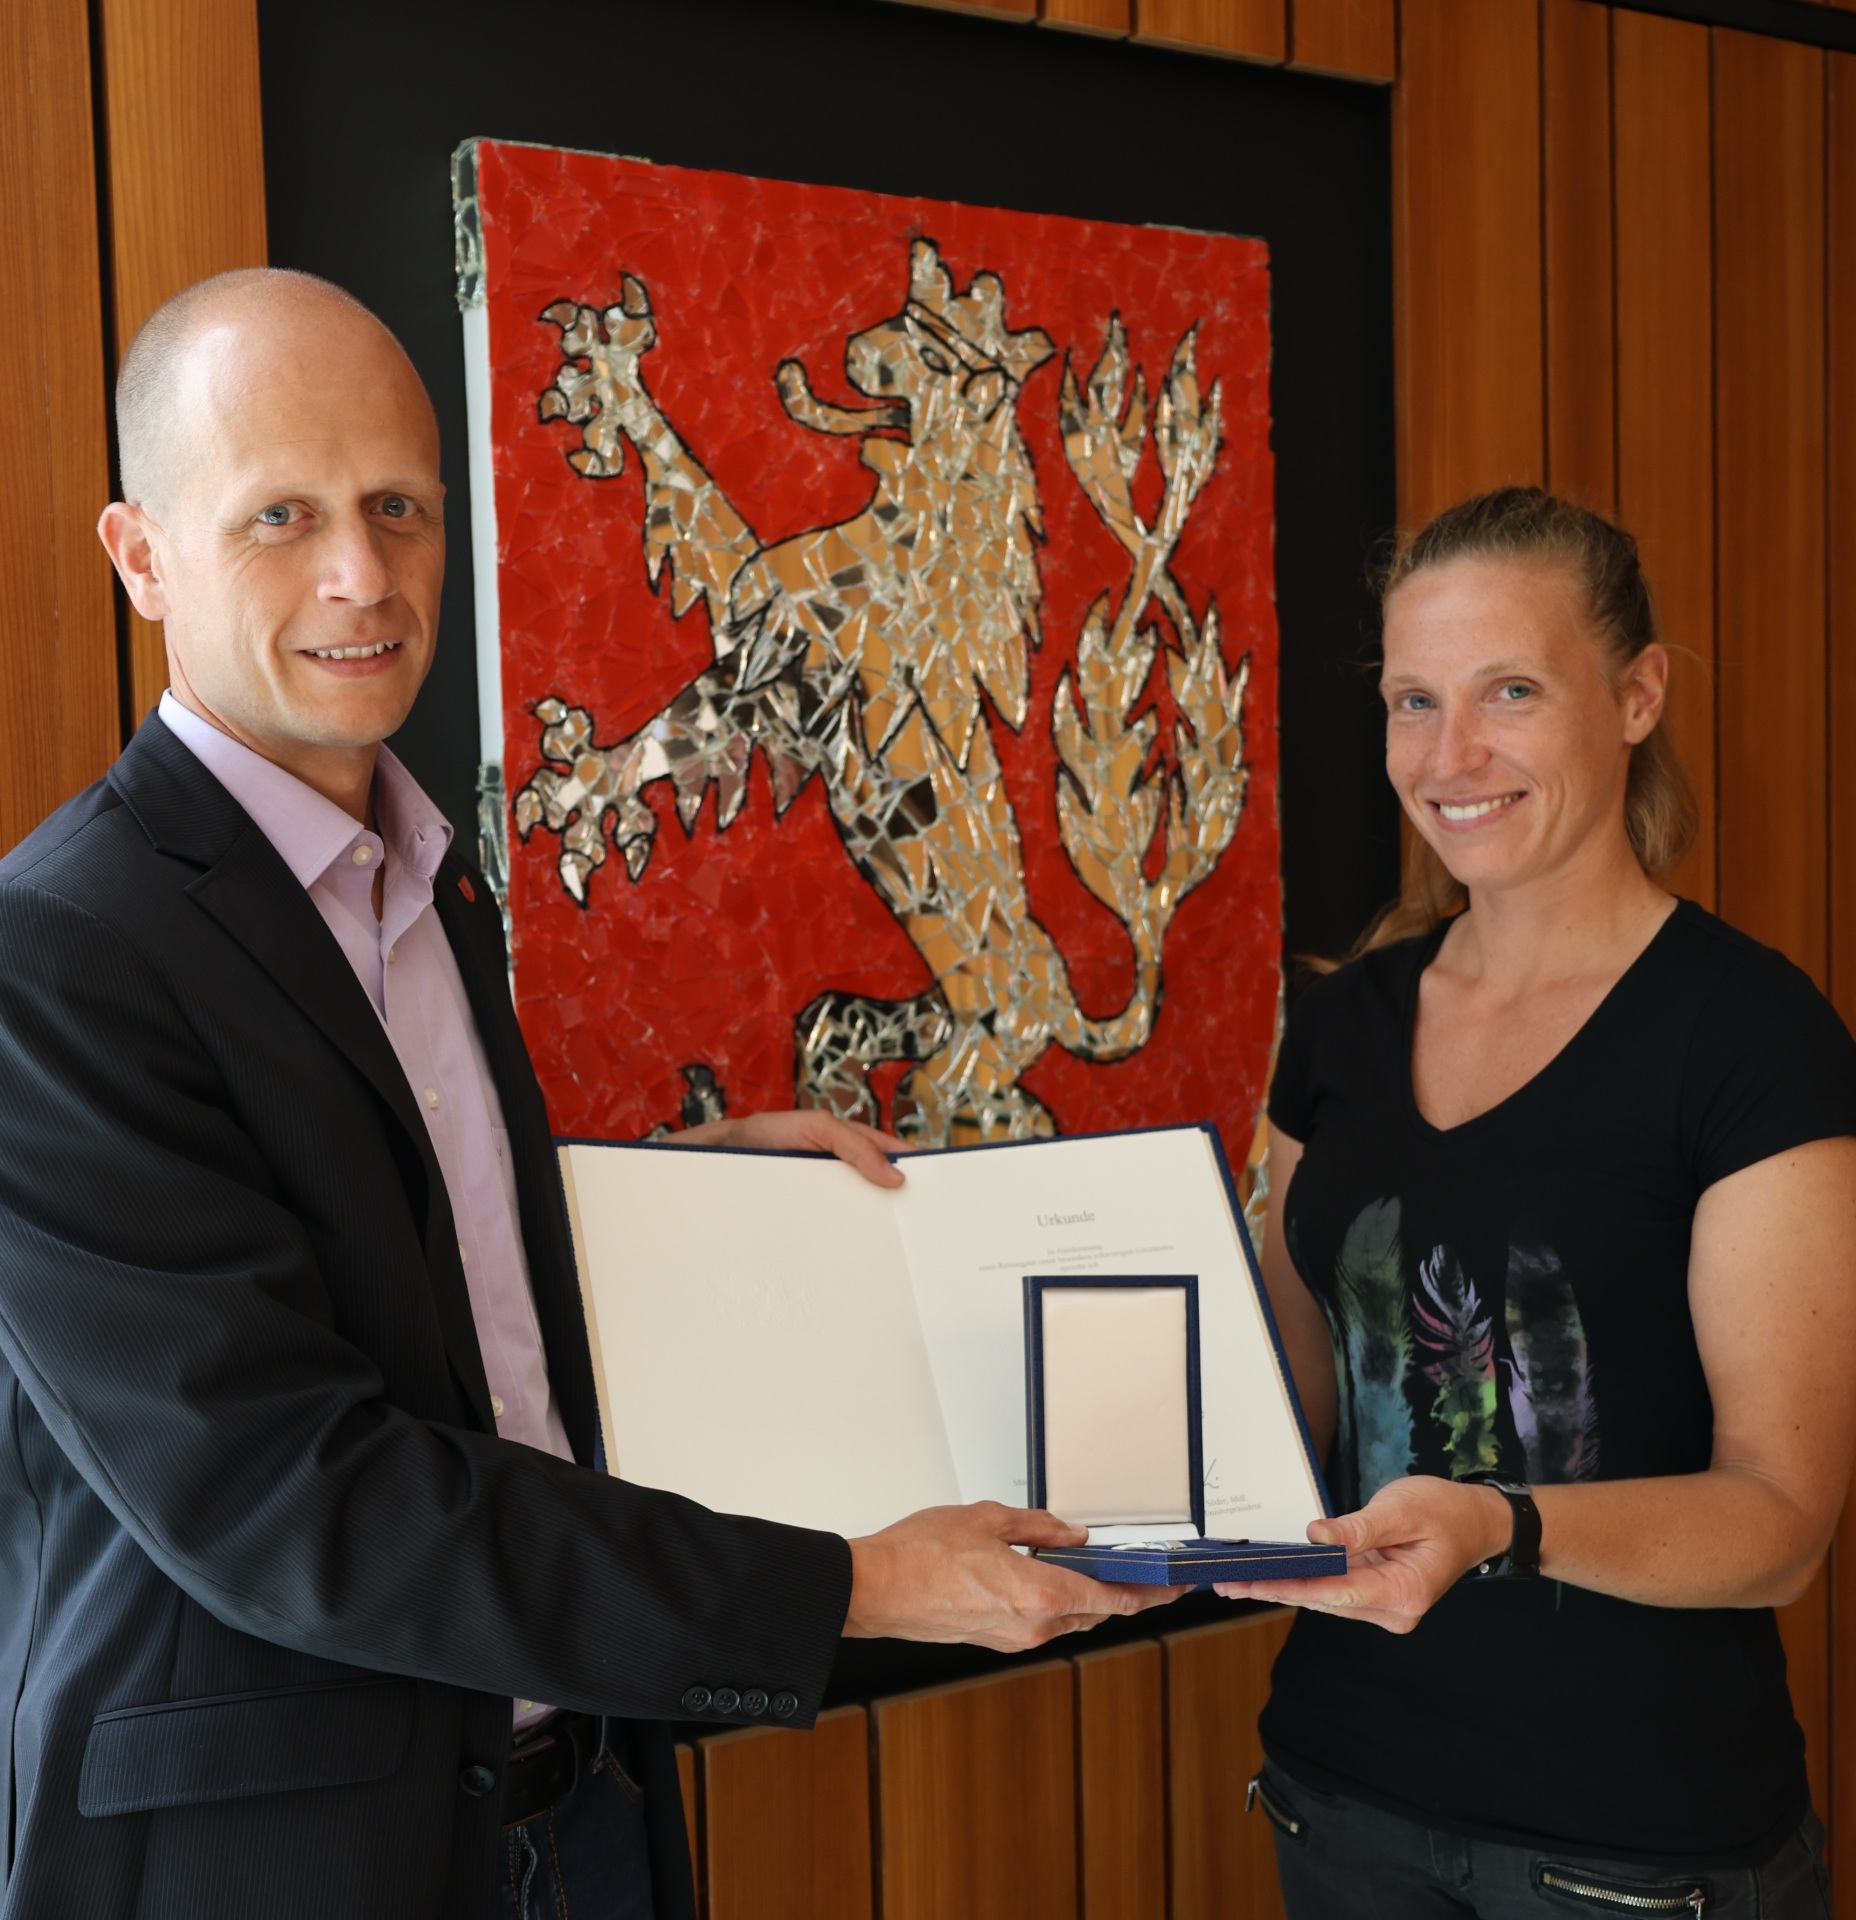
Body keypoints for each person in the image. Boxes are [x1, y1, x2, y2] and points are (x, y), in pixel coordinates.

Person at [0, 268, 1172, 1920]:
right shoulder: (54, 954)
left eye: (398, 504)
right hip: (286, 1866)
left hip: (579, 1817)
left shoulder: (424, 879)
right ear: (142, 558)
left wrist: (679, 1185)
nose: (361, 574)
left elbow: (411, 1241)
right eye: (279, 516)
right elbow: (300, 1498)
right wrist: (853, 1585)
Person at [1216, 488, 1856, 1917]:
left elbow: (1784, 1522)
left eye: (1511, 691)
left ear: (1636, 695)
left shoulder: (1749, 1039)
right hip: (1343, 1798)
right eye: (1411, 700)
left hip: (1636, 1852)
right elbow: (1284, 1412)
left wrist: (1501, 1524)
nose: (1451, 757)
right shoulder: (1338, 1034)